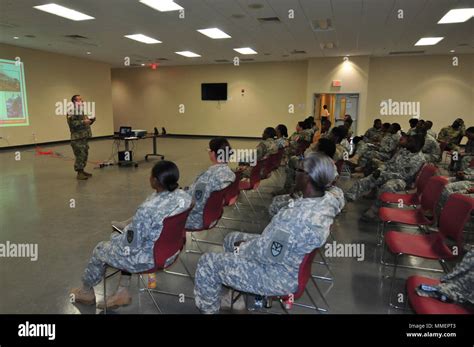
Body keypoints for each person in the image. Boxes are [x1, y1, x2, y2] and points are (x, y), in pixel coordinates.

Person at [193, 153, 345, 314]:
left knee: (208, 262)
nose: (295, 173)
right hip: (290, 260)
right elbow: (337, 190)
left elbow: (269, 254)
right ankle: (237, 299)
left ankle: (208, 310)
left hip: (276, 274)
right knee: (231, 239)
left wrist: (243, 248)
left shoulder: (295, 219)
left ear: (308, 177)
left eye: (298, 170)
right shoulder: (330, 200)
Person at [69, 161, 193, 308]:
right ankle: (121, 293)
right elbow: (189, 207)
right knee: (125, 244)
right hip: (171, 250)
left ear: (154, 180)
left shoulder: (147, 210)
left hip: (149, 258)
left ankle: (86, 292)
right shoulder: (184, 197)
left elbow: (130, 247)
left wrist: (115, 237)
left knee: (101, 249)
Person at [345, 134, 426, 221]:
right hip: (387, 173)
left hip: (401, 180)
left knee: (388, 186)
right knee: (364, 181)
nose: (407, 143)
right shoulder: (403, 151)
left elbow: (404, 176)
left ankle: (374, 210)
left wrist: (383, 174)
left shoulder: (419, 159)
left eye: (410, 141)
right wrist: (380, 170)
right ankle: (344, 201)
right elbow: (389, 163)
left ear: (417, 144)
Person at [185, 137, 236, 230]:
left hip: (196, 220)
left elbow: (196, 204)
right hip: (213, 215)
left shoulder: (207, 178)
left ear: (213, 153)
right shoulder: (230, 174)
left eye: (209, 150)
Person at [67, 95, 95, 180]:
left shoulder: (81, 111)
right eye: (79, 99)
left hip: (83, 137)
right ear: (75, 102)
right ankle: (79, 173)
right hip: (77, 138)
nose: (82, 101)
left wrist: (91, 120)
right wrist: (83, 121)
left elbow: (85, 123)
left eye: (82, 99)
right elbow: (73, 124)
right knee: (80, 155)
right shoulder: (71, 111)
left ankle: (82, 171)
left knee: (84, 154)